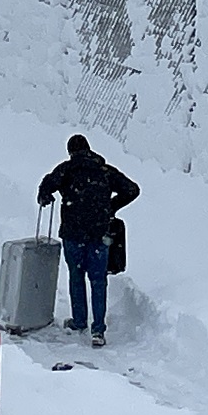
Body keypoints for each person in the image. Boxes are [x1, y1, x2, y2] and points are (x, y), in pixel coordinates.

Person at [37, 134, 139, 348]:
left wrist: (45, 196)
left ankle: (79, 321)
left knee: (76, 275)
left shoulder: (66, 169)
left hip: (73, 234)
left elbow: (47, 184)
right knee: (98, 280)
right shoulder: (104, 171)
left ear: (71, 152)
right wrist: (109, 207)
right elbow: (132, 189)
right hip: (99, 234)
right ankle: (98, 330)